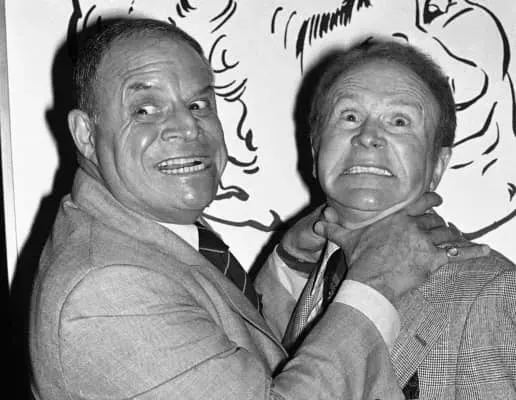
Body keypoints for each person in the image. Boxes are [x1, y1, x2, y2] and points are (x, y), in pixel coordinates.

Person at [29, 18, 482, 400]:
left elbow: (237, 360)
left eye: (198, 103)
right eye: (145, 109)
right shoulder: (106, 290)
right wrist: (376, 280)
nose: (186, 126)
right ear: (85, 134)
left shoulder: (489, 292)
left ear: (438, 162)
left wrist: (289, 263)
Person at [277, 40, 516, 399]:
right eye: (350, 116)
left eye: (399, 121)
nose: (368, 137)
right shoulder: (297, 278)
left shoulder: (488, 292)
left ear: (437, 165)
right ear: (315, 150)